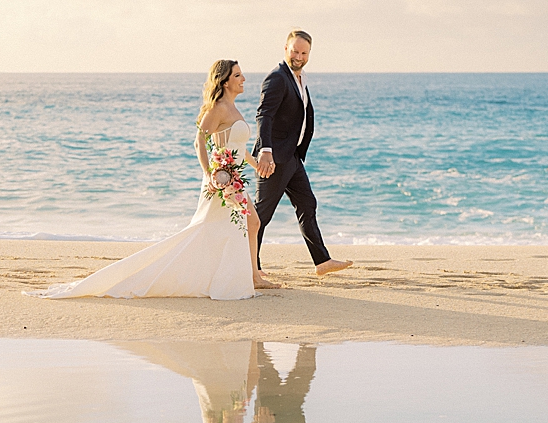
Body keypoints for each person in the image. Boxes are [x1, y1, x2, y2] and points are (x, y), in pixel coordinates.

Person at [28, 59, 277, 299]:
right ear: (224, 82)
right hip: (221, 181)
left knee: (248, 224)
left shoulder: (234, 109)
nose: (243, 78)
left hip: (234, 179)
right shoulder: (217, 109)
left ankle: (251, 275)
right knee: (226, 226)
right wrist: (209, 174)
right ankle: (244, 276)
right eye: (237, 75)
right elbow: (199, 140)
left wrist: (257, 165)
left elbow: (237, 147)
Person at [253, 30, 353, 277]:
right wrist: (266, 151)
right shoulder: (277, 78)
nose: (298, 56)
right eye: (294, 51)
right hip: (275, 158)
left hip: (293, 157)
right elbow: (264, 114)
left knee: (307, 204)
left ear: (309, 54)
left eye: (303, 52)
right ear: (285, 49)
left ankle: (322, 261)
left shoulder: (299, 77)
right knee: (261, 215)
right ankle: (250, 266)